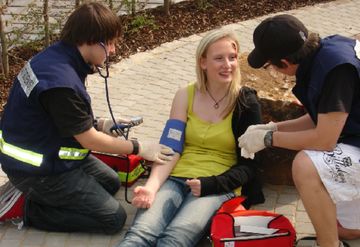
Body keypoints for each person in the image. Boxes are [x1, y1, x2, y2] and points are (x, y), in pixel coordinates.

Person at [0, 2, 173, 233]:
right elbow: (89, 140)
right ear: (92, 40)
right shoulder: (61, 83)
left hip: (50, 152)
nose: (113, 51)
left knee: (111, 182)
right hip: (37, 172)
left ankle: (46, 195)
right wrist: (138, 147)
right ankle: (28, 207)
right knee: (112, 218)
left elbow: (60, 116)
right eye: (110, 43)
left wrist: (101, 124)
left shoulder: (58, 58)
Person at [117, 28, 265, 247]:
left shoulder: (246, 102)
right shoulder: (185, 94)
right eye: (219, 58)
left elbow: (250, 166)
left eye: (232, 57)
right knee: (140, 234)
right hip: (176, 177)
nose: (228, 64)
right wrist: (152, 186)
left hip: (217, 185)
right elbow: (170, 147)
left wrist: (211, 184)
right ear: (203, 62)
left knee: (174, 239)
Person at [238, 14, 360, 247]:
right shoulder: (327, 51)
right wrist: (273, 126)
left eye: (269, 65)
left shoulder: (336, 70)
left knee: (306, 165)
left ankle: (328, 244)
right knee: (341, 224)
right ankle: (352, 230)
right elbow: (321, 119)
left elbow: (324, 139)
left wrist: (269, 138)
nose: (271, 70)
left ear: (284, 63)